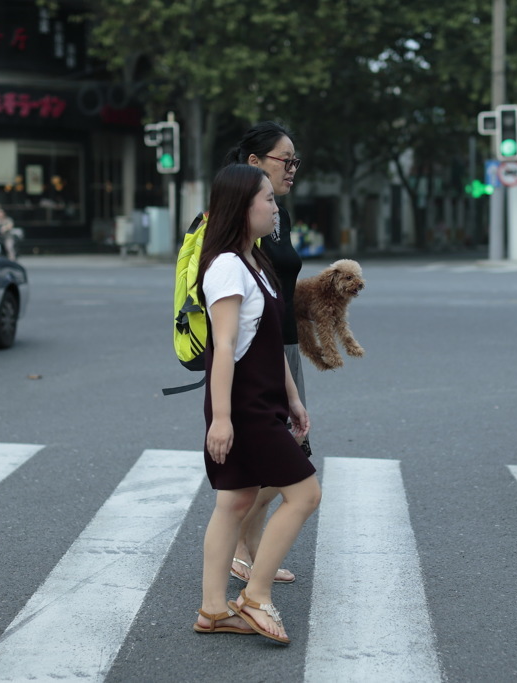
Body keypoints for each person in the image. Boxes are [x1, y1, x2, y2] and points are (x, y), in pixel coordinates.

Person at [193, 164, 321, 644]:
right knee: (305, 494)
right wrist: (222, 419)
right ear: (242, 208)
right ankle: (255, 595)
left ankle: (213, 610)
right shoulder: (227, 265)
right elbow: (224, 346)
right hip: (243, 405)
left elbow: (268, 339)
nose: (275, 207)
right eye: (267, 199)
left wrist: (293, 398)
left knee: (235, 500)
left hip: (264, 399)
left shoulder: (255, 263)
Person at [220, 121, 309, 586]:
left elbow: (279, 286)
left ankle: (249, 547)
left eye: (295, 161)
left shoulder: (279, 217)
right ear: (254, 162)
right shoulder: (242, 220)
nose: (292, 168)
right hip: (259, 354)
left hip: (286, 347)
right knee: (285, 457)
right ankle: (237, 546)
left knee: (287, 452)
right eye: (285, 160)